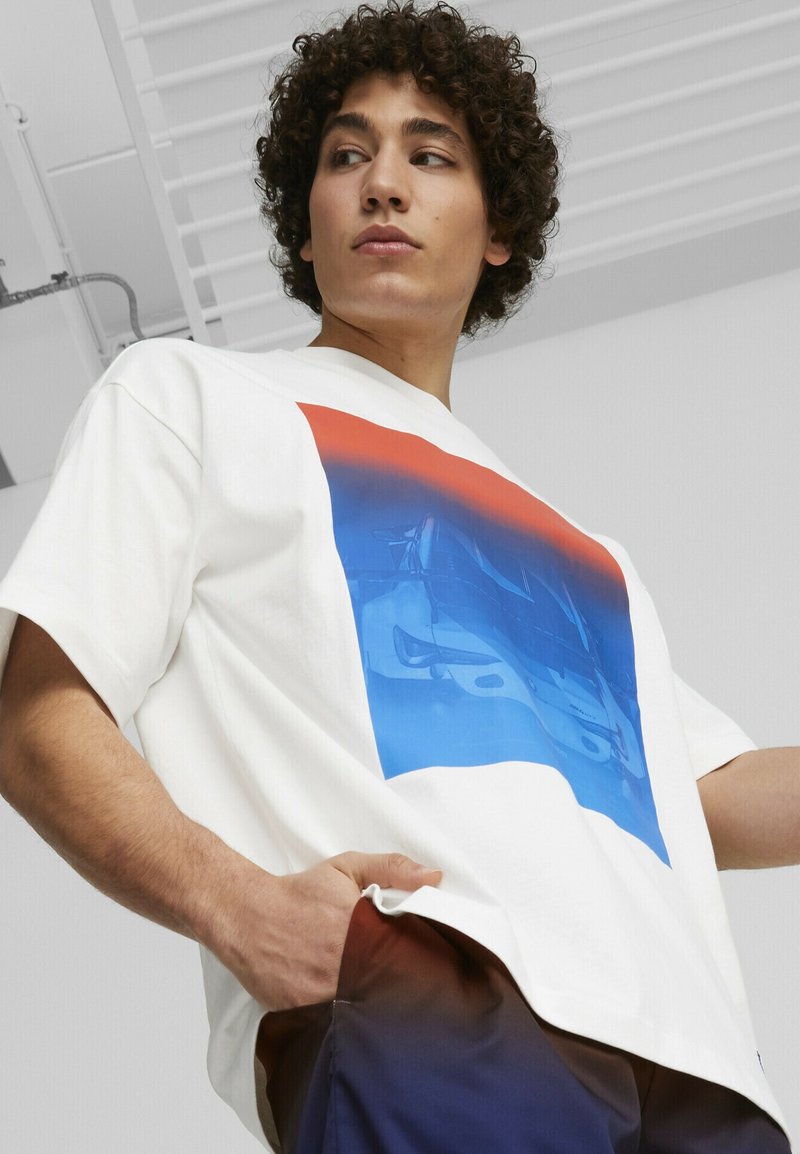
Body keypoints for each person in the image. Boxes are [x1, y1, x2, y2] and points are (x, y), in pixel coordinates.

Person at [0, 2, 796, 1151]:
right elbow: (38, 712)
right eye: (344, 156)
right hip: (432, 989)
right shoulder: (193, 396)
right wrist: (239, 906)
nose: (381, 184)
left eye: (429, 155)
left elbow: (706, 790)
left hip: (702, 1069)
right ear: (306, 224)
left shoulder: (592, 558)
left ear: (496, 227)